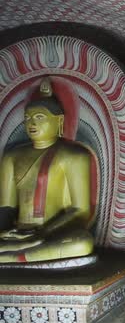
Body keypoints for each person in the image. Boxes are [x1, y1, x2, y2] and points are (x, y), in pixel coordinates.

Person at [0, 78, 95, 263]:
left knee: (82, 243)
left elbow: (80, 210)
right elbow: (6, 207)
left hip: (52, 233)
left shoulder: (74, 156)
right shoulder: (12, 157)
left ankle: (13, 256)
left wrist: (41, 232)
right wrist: (5, 230)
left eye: (39, 117)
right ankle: (18, 253)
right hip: (15, 234)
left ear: (59, 121)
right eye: (27, 118)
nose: (31, 123)